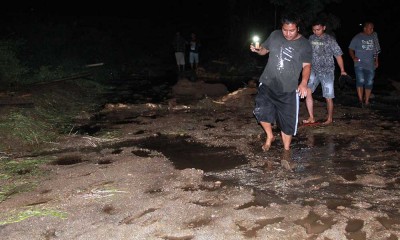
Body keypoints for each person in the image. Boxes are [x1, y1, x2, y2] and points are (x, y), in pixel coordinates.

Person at [250, 13, 312, 152]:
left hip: (288, 89)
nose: (288, 34)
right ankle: (270, 136)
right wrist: (258, 50)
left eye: (291, 30)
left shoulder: (304, 44)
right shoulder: (275, 35)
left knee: (287, 123)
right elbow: (264, 50)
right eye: (285, 30)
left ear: (298, 29)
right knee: (260, 111)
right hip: (267, 83)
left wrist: (303, 82)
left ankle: (286, 150)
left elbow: (307, 65)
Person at [303, 19, 347, 125]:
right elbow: (307, 52)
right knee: (307, 91)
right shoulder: (311, 38)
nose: (315, 32)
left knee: (328, 96)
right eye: (313, 30)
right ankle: (311, 117)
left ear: (324, 28)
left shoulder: (330, 40)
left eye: (318, 29)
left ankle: (330, 118)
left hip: (327, 71)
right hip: (313, 70)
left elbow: (338, 56)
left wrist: (342, 70)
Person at [348, 21, 380, 107]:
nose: (372, 30)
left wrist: (377, 61)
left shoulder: (374, 37)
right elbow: (350, 49)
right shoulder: (358, 37)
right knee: (360, 81)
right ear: (365, 28)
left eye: (373, 28)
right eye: (370, 28)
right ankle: (360, 100)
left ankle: (366, 101)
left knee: (369, 82)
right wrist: (353, 57)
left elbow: (376, 51)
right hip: (359, 63)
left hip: (370, 64)